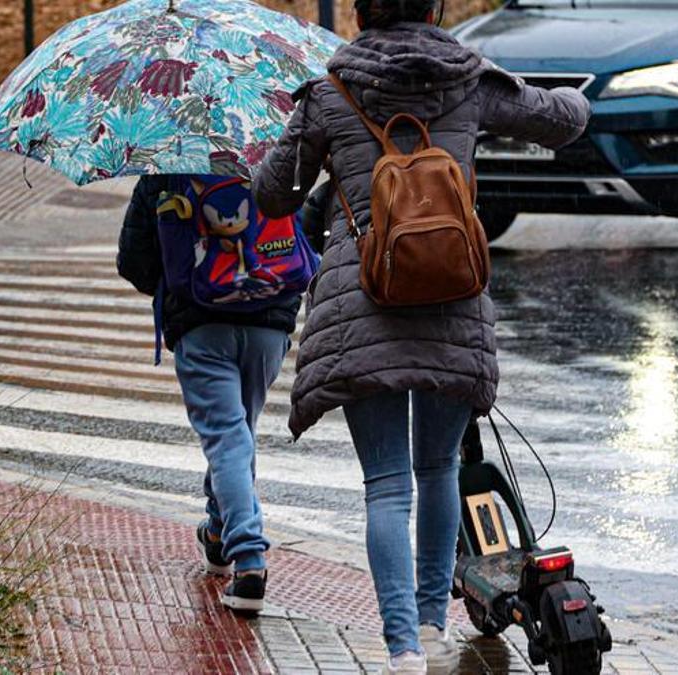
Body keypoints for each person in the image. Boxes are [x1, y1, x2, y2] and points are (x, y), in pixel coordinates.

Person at [252, 0, 589, 670]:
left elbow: (272, 195)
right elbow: (563, 121)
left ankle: (402, 648)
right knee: (438, 470)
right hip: (449, 296)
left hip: (361, 304)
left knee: (386, 485)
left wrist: (295, 143)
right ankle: (433, 627)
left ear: (360, 11)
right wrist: (580, 95)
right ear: (433, 8)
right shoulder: (469, 80)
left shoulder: (329, 92)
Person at [117, 174, 301, 613]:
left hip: (201, 326)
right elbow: (300, 236)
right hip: (267, 325)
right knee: (237, 435)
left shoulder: (165, 170)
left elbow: (134, 262)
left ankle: (249, 560)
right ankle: (218, 533)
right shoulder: (268, 157)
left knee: (227, 439)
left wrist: (183, 281)